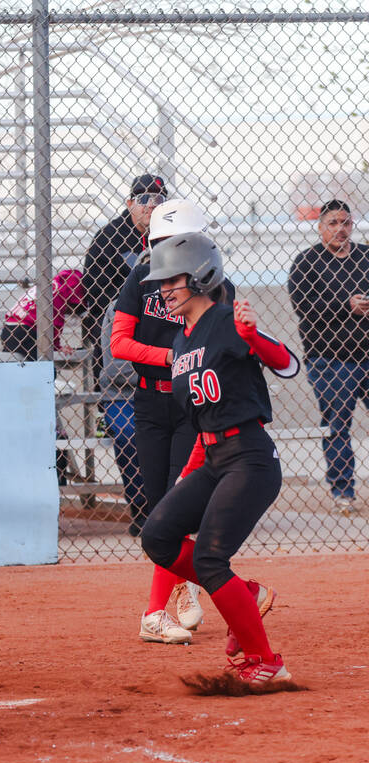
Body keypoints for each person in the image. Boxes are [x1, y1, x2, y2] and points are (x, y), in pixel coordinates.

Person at [139, 232, 301, 686]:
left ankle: (266, 660)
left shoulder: (230, 320)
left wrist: (253, 337)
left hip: (250, 457)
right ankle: (242, 594)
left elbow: (287, 364)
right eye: (162, 282)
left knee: (210, 558)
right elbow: (200, 418)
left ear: (202, 275)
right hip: (213, 457)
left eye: (173, 280)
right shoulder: (181, 341)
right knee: (159, 536)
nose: (164, 290)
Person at [111, 199, 235, 643]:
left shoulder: (218, 288)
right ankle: (185, 587)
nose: (163, 253)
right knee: (156, 504)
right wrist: (172, 357)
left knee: (177, 506)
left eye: (172, 243)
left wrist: (188, 363)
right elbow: (121, 344)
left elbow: (221, 344)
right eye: (159, 243)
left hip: (190, 406)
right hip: (149, 403)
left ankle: (160, 609)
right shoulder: (140, 282)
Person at [287, 199, 369, 515]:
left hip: (367, 354)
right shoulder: (307, 262)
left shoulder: (365, 257)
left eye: (345, 223)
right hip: (330, 360)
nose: (340, 229)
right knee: (337, 426)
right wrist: (346, 306)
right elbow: (304, 307)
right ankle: (343, 491)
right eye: (333, 223)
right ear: (320, 227)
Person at [82, 174, 167, 382]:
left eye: (159, 200)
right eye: (144, 199)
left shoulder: (167, 235)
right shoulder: (109, 237)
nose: (151, 206)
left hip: (158, 323)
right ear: (130, 203)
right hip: (118, 324)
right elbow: (95, 292)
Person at [98, 301, 148, 538]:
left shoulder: (178, 304)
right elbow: (115, 370)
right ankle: (140, 507)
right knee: (128, 434)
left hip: (164, 390)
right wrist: (161, 366)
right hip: (122, 394)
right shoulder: (119, 307)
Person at [0, 269, 83, 361]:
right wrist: (56, 347)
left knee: (16, 365)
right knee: (45, 366)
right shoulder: (59, 293)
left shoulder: (46, 286)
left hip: (9, 329)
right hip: (26, 332)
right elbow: (54, 324)